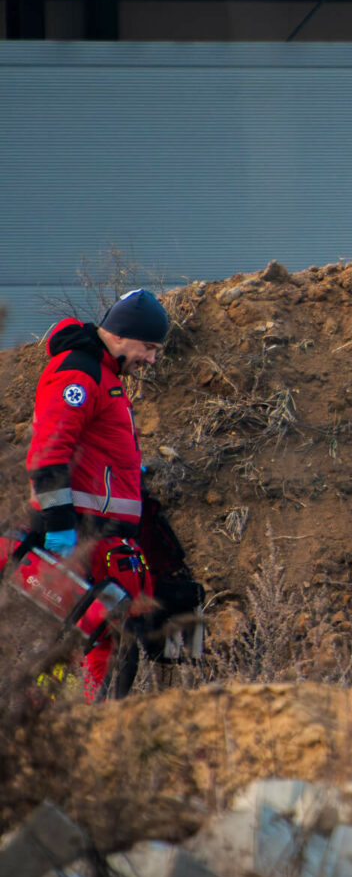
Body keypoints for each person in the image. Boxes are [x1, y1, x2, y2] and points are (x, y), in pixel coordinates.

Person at [26, 288, 169, 701]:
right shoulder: (80, 373)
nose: (151, 359)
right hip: (78, 536)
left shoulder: (102, 375)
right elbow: (50, 452)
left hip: (99, 537)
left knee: (104, 638)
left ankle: (78, 724)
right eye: (148, 347)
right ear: (122, 335)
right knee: (86, 638)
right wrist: (59, 530)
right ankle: (60, 724)